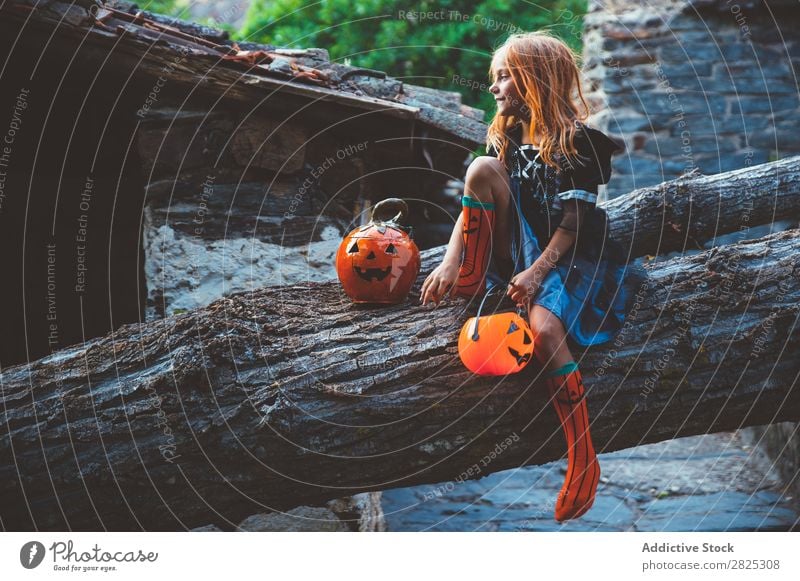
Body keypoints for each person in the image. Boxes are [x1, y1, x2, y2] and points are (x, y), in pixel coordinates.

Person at [420, 31, 644, 522]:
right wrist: (451, 260)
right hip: (515, 250)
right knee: (480, 168)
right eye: (494, 77)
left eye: (505, 77)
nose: (496, 87)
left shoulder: (578, 143)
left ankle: (583, 455)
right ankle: (478, 277)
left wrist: (538, 272)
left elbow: (575, 223)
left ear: (534, 80)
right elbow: (469, 210)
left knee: (543, 330)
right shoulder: (507, 135)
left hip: (569, 256)